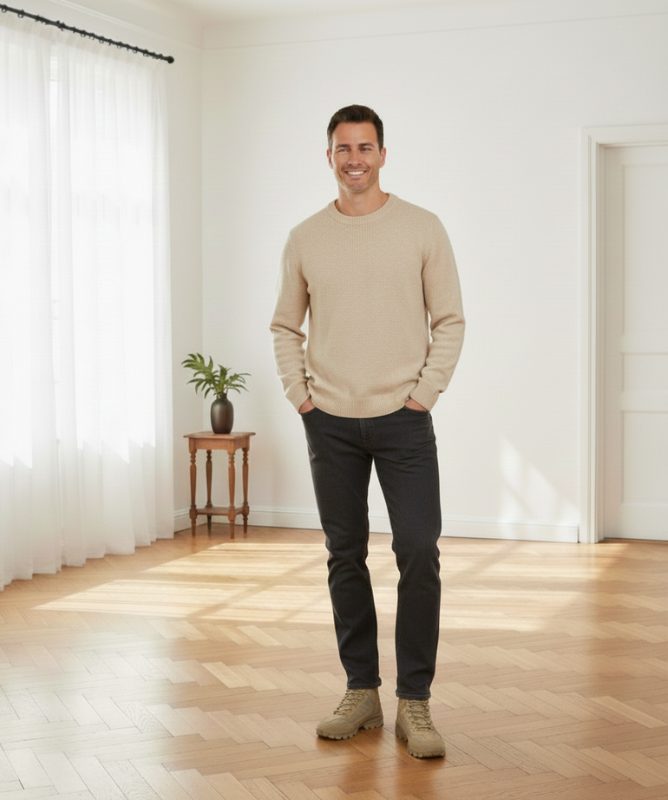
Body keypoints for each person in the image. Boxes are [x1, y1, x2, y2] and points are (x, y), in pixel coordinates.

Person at [270, 104, 465, 758]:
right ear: (328, 156)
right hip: (330, 423)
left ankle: (415, 702)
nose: (355, 158)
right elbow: (283, 325)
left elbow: (452, 320)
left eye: (366, 147)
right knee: (344, 554)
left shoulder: (422, 228)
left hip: (404, 422)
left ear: (383, 154)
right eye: (343, 148)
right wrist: (302, 397)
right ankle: (362, 691)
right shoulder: (304, 236)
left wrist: (422, 396)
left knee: (418, 549)